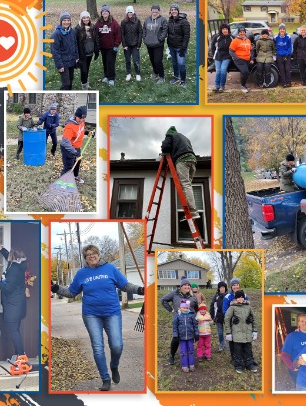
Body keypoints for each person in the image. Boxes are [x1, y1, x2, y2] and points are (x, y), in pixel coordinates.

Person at [51, 244, 144, 391]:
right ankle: (105, 379)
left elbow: (125, 285)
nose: (91, 256)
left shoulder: (110, 269)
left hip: (112, 312)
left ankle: (114, 366)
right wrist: (55, 288)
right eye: (88, 255)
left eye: (93, 253)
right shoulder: (81, 273)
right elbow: (71, 292)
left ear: (99, 254)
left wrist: (140, 290)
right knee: (98, 348)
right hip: (91, 314)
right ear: (85, 259)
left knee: (117, 345)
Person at [0, 239, 27, 359]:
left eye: (10, 254)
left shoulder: (14, 269)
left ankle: (21, 355)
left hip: (13, 306)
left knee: (13, 331)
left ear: (14, 256)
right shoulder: (18, 264)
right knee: (15, 331)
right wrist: (0, 248)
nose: (8, 255)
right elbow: (7, 256)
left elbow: (8, 289)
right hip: (17, 305)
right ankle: (19, 354)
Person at [161, 126, 199, 219]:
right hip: (193, 160)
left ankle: (193, 212)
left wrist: (165, 151)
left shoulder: (170, 135)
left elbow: (165, 147)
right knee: (188, 185)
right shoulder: (183, 137)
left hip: (182, 160)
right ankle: (192, 211)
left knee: (185, 185)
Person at [161, 277, 198, 365]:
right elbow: (163, 300)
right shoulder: (175, 294)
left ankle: (189, 355)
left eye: (188, 285)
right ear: (181, 286)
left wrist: (195, 315)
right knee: (176, 338)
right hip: (179, 321)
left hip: (190, 321)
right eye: (185, 285)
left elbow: (196, 307)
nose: (187, 287)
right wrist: (171, 310)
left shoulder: (193, 296)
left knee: (190, 337)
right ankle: (172, 355)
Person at [224, 290, 258, 373]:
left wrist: (255, 330)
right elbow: (227, 319)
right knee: (237, 350)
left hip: (247, 332)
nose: (240, 299)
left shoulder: (248, 307)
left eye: (242, 297)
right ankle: (238, 365)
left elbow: (254, 318)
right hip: (237, 333)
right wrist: (228, 332)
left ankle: (249, 364)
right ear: (236, 298)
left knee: (248, 349)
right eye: (238, 297)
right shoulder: (232, 307)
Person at [280, 313, 306, 384]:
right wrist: (292, 367)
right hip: (299, 369)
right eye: (302, 321)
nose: (305, 323)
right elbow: (284, 354)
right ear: (298, 323)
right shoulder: (292, 336)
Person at [222, 277, 249, 365]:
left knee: (241, 339)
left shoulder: (244, 295)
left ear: (239, 285)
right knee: (233, 340)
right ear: (231, 286)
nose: (235, 286)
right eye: (234, 285)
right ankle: (234, 358)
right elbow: (225, 310)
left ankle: (242, 357)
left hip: (243, 322)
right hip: (232, 322)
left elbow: (247, 306)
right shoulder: (227, 297)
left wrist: (248, 317)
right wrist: (232, 318)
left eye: (237, 284)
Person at [60, 106, 88, 184]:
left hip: (77, 147)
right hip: (68, 148)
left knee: (77, 162)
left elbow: (80, 129)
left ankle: (75, 176)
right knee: (68, 167)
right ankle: (63, 183)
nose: (81, 120)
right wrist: (74, 152)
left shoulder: (82, 121)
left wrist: (87, 132)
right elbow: (65, 142)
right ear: (75, 116)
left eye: (83, 118)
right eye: (80, 118)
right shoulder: (70, 126)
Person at [50, 12, 79, 90]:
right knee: (66, 83)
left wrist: (76, 57)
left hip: (71, 61)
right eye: (64, 20)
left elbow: (75, 44)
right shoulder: (56, 34)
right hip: (63, 63)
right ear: (61, 21)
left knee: (71, 80)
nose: (66, 22)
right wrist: (59, 65)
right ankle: (62, 97)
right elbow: (55, 51)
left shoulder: (72, 31)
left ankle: (69, 94)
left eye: (68, 20)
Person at [95, 5, 121, 86]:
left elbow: (118, 34)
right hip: (103, 47)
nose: (105, 13)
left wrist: (116, 45)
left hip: (111, 47)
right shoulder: (98, 23)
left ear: (109, 13)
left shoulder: (114, 22)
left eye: (106, 11)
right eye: (103, 12)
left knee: (110, 63)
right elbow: (96, 34)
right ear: (101, 13)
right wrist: (97, 46)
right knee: (105, 62)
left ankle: (112, 78)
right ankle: (106, 76)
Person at [167, 3, 191, 88]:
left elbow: (186, 35)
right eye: (172, 10)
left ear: (178, 11)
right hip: (172, 46)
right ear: (170, 11)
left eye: (175, 10)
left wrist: (183, 48)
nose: (173, 11)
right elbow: (168, 33)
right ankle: (176, 77)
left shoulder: (184, 22)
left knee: (181, 63)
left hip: (180, 47)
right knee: (174, 63)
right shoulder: (170, 20)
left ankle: (183, 80)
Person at [143, 4, 168, 83]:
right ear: (151, 11)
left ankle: (161, 76)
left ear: (159, 11)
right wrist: (145, 38)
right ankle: (155, 73)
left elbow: (165, 30)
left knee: (158, 61)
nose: (154, 13)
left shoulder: (163, 19)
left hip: (158, 44)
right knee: (152, 60)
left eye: (156, 11)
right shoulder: (147, 19)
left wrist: (160, 39)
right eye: (153, 11)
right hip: (149, 43)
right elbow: (144, 29)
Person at [75, 10, 100, 90]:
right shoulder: (77, 29)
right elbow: (76, 43)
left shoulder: (93, 27)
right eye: (84, 18)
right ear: (81, 19)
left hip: (90, 53)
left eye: (87, 17)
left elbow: (96, 39)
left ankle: (86, 82)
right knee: (84, 70)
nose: (86, 19)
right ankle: (84, 86)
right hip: (82, 54)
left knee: (87, 69)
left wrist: (96, 50)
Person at [173, 300, 199, 372]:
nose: (185, 309)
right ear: (181, 308)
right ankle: (184, 365)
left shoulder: (191, 315)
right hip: (181, 337)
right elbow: (175, 326)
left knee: (191, 350)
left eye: (186, 308)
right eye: (183, 308)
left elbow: (195, 325)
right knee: (183, 351)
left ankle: (191, 364)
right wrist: (175, 335)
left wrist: (196, 333)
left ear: (188, 308)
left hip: (190, 336)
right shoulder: (177, 316)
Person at [120, 5, 143, 82]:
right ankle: (128, 73)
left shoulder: (137, 21)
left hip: (135, 44)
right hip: (127, 45)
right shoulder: (123, 22)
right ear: (126, 13)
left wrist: (139, 44)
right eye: (128, 12)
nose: (130, 14)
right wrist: (124, 45)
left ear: (133, 13)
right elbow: (122, 34)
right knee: (127, 60)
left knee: (136, 60)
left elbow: (140, 32)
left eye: (131, 12)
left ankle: (138, 73)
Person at [229, 26, 254, 93]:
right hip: (239, 59)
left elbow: (251, 50)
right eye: (240, 32)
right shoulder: (235, 41)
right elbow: (231, 51)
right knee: (246, 72)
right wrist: (236, 58)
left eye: (243, 32)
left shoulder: (248, 40)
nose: (242, 33)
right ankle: (243, 86)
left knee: (244, 72)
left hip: (247, 59)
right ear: (238, 33)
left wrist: (252, 59)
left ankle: (243, 82)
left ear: (245, 33)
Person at [210, 23, 233, 93]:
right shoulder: (217, 37)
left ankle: (222, 86)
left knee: (223, 69)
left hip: (227, 56)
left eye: (226, 29)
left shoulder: (232, 37)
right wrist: (214, 54)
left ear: (228, 30)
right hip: (218, 56)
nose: (225, 30)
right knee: (218, 70)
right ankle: (217, 85)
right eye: (223, 29)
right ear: (221, 30)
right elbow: (212, 47)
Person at [209, 281, 227, 352]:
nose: (222, 289)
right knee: (220, 332)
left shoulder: (228, 296)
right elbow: (212, 307)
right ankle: (221, 344)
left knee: (228, 331)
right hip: (218, 317)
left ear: (225, 288)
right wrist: (213, 316)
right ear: (218, 288)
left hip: (227, 317)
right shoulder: (216, 297)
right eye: (221, 288)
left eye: (223, 287)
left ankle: (229, 344)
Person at [274, 23, 293, 88]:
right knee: (281, 69)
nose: (282, 30)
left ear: (285, 30)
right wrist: (276, 54)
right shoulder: (276, 37)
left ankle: (288, 82)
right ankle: (284, 83)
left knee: (287, 69)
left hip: (287, 55)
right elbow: (274, 47)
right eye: (281, 29)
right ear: (279, 30)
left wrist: (287, 55)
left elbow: (290, 47)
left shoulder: (288, 37)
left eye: (283, 29)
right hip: (279, 55)